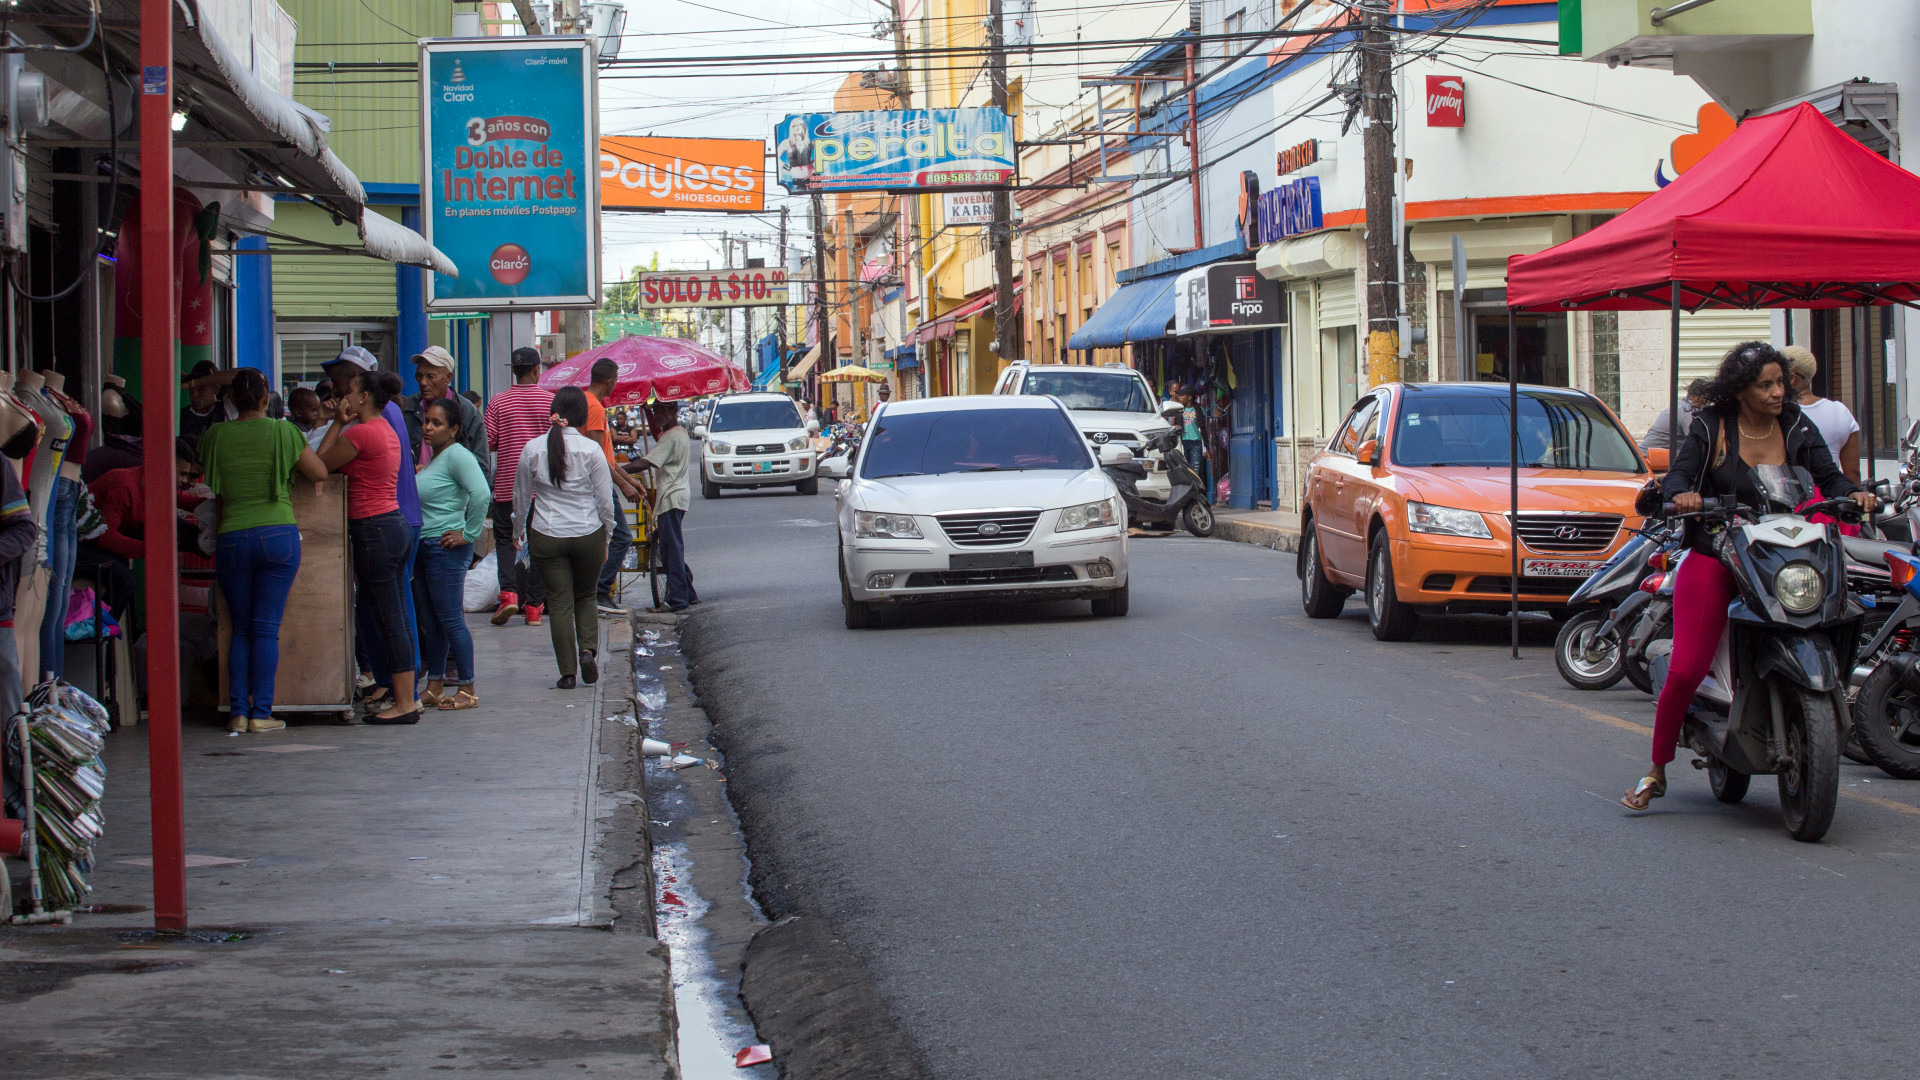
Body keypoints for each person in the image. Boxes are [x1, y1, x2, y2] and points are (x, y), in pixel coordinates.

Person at [1622, 342, 1874, 811]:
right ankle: (1656, 769)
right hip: (1717, 551)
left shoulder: (1796, 423)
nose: (1779, 392)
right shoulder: (1710, 425)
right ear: (1741, 391)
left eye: (1781, 382)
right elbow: (1678, 478)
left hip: (1782, 550)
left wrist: (1853, 493)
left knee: (1844, 607)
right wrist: (1685, 497)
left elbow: (1831, 476)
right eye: (1766, 385)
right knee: (1686, 667)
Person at [197, 369, 329, 733]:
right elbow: (319, 473)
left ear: (232, 399)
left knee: (239, 630)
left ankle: (238, 712)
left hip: (232, 538)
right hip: (277, 536)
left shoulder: (215, 435)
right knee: (265, 629)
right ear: (265, 396)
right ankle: (261, 714)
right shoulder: (283, 432)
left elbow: (210, 482)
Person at [318, 369, 420, 724]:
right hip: (393, 525)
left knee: (390, 620)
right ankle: (407, 699)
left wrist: (336, 423)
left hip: (373, 530)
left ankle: (404, 703)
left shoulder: (361, 433)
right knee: (398, 618)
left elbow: (318, 466)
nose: (345, 396)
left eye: (351, 390)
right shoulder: (386, 429)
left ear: (363, 397)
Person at [512, 386, 615, 689]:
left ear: (553, 413)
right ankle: (587, 651)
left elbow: (520, 499)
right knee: (586, 596)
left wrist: (517, 531)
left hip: (547, 534)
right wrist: (607, 535)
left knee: (558, 603)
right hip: (587, 533)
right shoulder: (591, 450)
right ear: (583, 417)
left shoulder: (532, 449)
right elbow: (605, 501)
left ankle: (568, 673)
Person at [413, 398, 489, 711]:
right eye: (426, 421)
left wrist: (468, 534)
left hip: (445, 548)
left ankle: (467, 688)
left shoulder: (458, 455)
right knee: (432, 622)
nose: (428, 428)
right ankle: (434, 685)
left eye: (437, 423)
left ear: (454, 429)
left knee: (450, 620)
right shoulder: (436, 458)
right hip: (426, 547)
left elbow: (481, 494)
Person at [483, 347, 554, 626]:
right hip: (542, 488)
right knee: (539, 546)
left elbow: (489, 442)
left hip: (507, 487)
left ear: (514, 371)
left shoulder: (498, 402)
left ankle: (509, 595)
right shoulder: (550, 401)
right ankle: (534, 607)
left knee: (504, 541)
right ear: (537, 370)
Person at [582, 357, 645, 615]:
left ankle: (594, 591)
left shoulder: (589, 403)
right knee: (622, 537)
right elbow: (597, 458)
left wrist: (630, 481)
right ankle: (599, 591)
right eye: (616, 380)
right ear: (609, 381)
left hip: (601, 483)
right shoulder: (594, 408)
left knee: (605, 539)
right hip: (598, 486)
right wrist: (624, 486)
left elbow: (606, 457)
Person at [627, 400, 698, 613]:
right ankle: (688, 592)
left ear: (673, 411)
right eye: (655, 411)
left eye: (660, 411)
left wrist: (616, 470)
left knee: (671, 550)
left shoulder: (672, 436)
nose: (657, 415)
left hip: (671, 497)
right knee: (670, 548)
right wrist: (647, 412)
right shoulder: (676, 432)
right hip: (675, 496)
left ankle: (677, 599)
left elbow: (645, 462)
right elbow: (658, 431)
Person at [1780, 345, 1860, 482]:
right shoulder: (1840, 411)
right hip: (1832, 491)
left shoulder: (1781, 414)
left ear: (1792, 378)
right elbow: (1852, 473)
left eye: (1778, 377)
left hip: (1792, 493)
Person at [405, 345, 487, 468]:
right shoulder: (408, 408)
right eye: (419, 376)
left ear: (448, 378)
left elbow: (481, 464)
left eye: (430, 376)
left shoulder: (466, 411)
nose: (423, 382)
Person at [1640, 379, 1711, 452]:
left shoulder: (1680, 406)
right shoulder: (1686, 411)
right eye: (1707, 400)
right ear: (1698, 399)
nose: (1709, 404)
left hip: (1649, 454)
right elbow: (1695, 441)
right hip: (1650, 457)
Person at [179, 360, 233, 446]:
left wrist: (195, 382)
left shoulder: (226, 409)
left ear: (216, 390)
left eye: (201, 389)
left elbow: (239, 375)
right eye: (191, 389)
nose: (194, 394)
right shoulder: (181, 416)